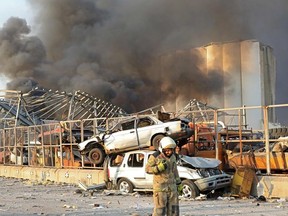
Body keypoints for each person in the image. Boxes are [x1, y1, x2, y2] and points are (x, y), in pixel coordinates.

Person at [145, 136, 183, 216]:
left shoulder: (173, 157)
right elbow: (147, 169)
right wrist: (158, 168)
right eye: (167, 150)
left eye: (171, 150)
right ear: (162, 149)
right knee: (160, 211)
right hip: (160, 189)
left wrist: (179, 184)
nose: (169, 152)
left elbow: (175, 171)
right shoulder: (155, 157)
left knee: (174, 210)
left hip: (172, 189)